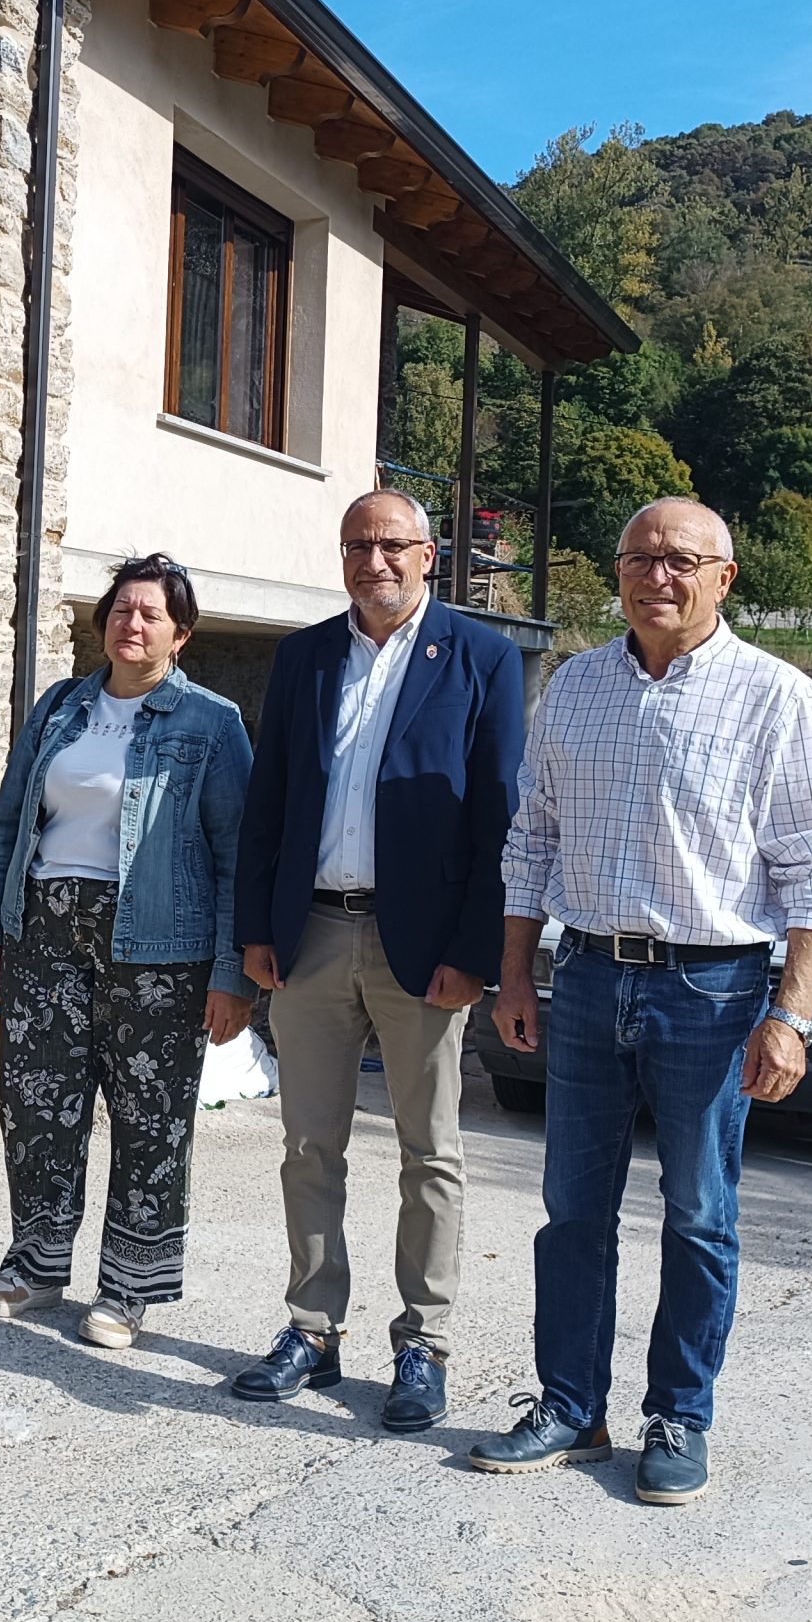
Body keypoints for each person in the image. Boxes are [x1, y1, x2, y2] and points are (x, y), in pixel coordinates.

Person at [472, 498, 812, 1505]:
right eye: (640, 558)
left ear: (723, 578)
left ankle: (677, 1415)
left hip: (714, 987)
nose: (657, 578)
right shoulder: (574, 685)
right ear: (617, 570)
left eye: (681, 561)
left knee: (697, 1215)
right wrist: (518, 972)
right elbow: (531, 839)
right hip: (589, 973)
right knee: (570, 1211)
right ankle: (568, 1408)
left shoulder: (776, 698)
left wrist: (792, 1014)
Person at [229, 490, 525, 1432]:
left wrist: (475, 953)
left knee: (428, 1152)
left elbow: (498, 818)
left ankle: (423, 1344)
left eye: (392, 545)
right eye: (359, 545)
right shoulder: (305, 655)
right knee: (308, 1145)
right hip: (310, 934)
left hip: (424, 950)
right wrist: (257, 932)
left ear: (429, 556)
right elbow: (266, 807)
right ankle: (312, 1330)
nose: (374, 562)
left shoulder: (482, 658)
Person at [0, 554, 255, 1350]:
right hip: (45, 931)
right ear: (102, 625)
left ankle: (129, 1288)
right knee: (36, 1103)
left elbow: (237, 858)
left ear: (180, 635)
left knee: (150, 1119)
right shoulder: (60, 708)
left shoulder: (212, 723)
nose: (133, 624)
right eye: (121, 610)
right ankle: (36, 1261)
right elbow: (8, 824)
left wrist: (231, 975)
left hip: (159, 945)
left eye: (151, 614)